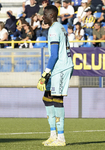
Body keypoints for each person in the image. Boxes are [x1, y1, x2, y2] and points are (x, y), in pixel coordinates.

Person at [37, 5, 74, 146]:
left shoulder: (53, 29)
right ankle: (53, 134)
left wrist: (46, 73)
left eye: (45, 14)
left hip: (61, 67)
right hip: (58, 67)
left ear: (51, 15)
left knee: (57, 99)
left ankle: (61, 138)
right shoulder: (60, 27)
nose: (42, 17)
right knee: (47, 97)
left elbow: (54, 55)